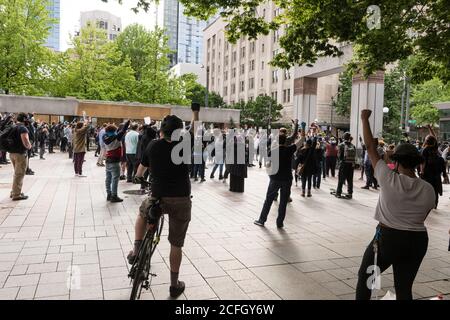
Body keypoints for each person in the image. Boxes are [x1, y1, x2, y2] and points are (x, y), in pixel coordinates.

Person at [356, 109, 435, 300]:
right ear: (416, 163)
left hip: (389, 238)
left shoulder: (388, 178)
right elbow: (422, 217)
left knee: (367, 278)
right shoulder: (428, 189)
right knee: (404, 288)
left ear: (397, 162)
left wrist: (364, 118)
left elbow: (369, 147)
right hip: (417, 241)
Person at [130, 108, 199, 298]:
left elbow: (141, 169)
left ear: (162, 131)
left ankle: (136, 249)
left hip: (158, 197)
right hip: (181, 199)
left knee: (143, 212)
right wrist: (195, 113)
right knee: (176, 244)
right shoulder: (185, 143)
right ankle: (174, 284)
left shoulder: (153, 145)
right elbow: (195, 129)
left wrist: (137, 177)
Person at [254, 120, 300, 228]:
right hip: (287, 179)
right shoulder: (289, 149)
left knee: (268, 200)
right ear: (285, 141)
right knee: (283, 202)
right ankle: (280, 223)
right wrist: (299, 127)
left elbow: (268, 164)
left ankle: (262, 220)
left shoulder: (273, 150)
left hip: (275, 178)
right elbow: (300, 141)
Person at [103, 121, 131, 203]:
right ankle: (114, 196)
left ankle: (109, 194)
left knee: (108, 178)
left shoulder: (105, 137)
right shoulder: (116, 137)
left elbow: (120, 131)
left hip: (108, 161)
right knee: (115, 179)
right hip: (114, 161)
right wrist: (128, 122)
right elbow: (123, 130)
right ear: (114, 131)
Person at [420, 128, 448, 209]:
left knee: (426, 188)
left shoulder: (424, 150)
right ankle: (435, 204)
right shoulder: (435, 147)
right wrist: (430, 128)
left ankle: (427, 204)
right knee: (435, 189)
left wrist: (422, 171)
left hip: (428, 172)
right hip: (436, 172)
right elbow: (434, 138)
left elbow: (423, 162)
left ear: (426, 141)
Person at [9, 113, 32, 201]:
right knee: (19, 174)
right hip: (20, 154)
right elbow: (25, 139)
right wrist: (29, 146)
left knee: (16, 174)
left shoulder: (13, 126)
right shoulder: (22, 128)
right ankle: (16, 194)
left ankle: (14, 191)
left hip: (12, 153)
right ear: (24, 119)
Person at [335, 132, 356, 199]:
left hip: (343, 164)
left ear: (344, 137)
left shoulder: (341, 145)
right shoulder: (353, 146)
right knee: (350, 179)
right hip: (351, 165)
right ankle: (350, 193)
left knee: (341, 179)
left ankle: (338, 193)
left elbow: (339, 156)